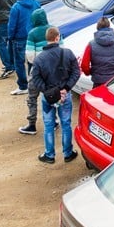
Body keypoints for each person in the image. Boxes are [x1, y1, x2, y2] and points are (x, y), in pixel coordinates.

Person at [30, 26, 80, 164]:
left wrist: (46, 91)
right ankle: (68, 153)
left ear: (46, 39)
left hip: (48, 97)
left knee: (48, 125)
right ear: (57, 37)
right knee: (66, 124)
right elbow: (76, 72)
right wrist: (66, 88)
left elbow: (35, 78)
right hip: (65, 95)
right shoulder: (68, 53)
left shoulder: (39, 59)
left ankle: (50, 154)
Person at [19, 7, 49, 135]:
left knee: (32, 98)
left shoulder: (33, 33)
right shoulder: (53, 29)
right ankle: (53, 121)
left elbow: (30, 56)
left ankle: (32, 124)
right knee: (50, 96)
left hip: (37, 71)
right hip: (52, 71)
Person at [7, 0, 40, 95]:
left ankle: (23, 86)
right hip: (33, 36)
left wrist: (10, 37)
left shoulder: (16, 8)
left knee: (19, 63)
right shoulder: (35, 3)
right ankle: (33, 82)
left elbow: (12, 25)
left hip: (19, 38)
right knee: (32, 60)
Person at [80, 17, 114, 88]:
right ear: (109, 26)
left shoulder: (91, 45)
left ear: (97, 28)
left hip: (99, 81)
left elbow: (84, 65)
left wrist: (89, 73)